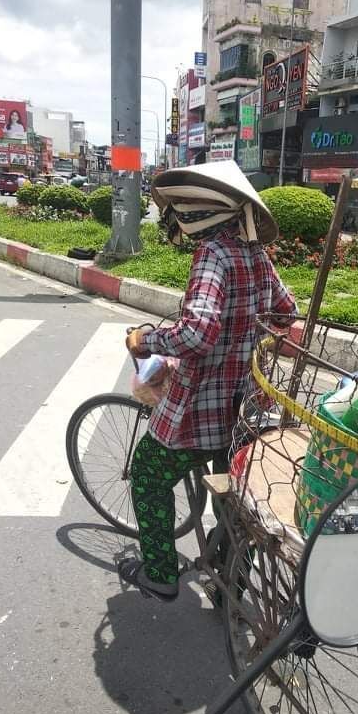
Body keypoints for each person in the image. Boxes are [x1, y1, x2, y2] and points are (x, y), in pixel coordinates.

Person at [120, 160, 297, 601]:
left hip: (202, 410)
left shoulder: (213, 253)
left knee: (146, 474)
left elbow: (197, 335)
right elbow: (286, 311)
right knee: (234, 499)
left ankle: (161, 573)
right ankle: (228, 579)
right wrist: (246, 341)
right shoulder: (256, 254)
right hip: (249, 407)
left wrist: (146, 340)